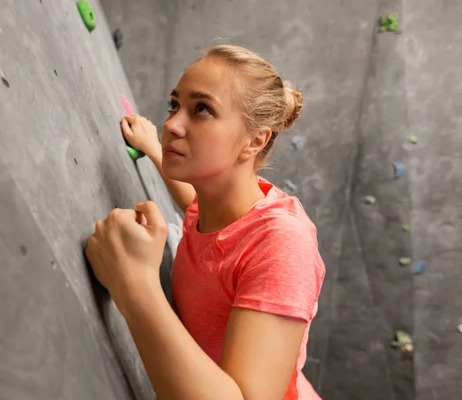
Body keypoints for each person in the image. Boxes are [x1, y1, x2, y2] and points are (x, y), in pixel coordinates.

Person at [86, 44, 325, 400]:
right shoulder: (219, 204)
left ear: (254, 140)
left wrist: (134, 284)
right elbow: (195, 205)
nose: (171, 124)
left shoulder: (283, 244)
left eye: (202, 110)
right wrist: (154, 148)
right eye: (174, 105)